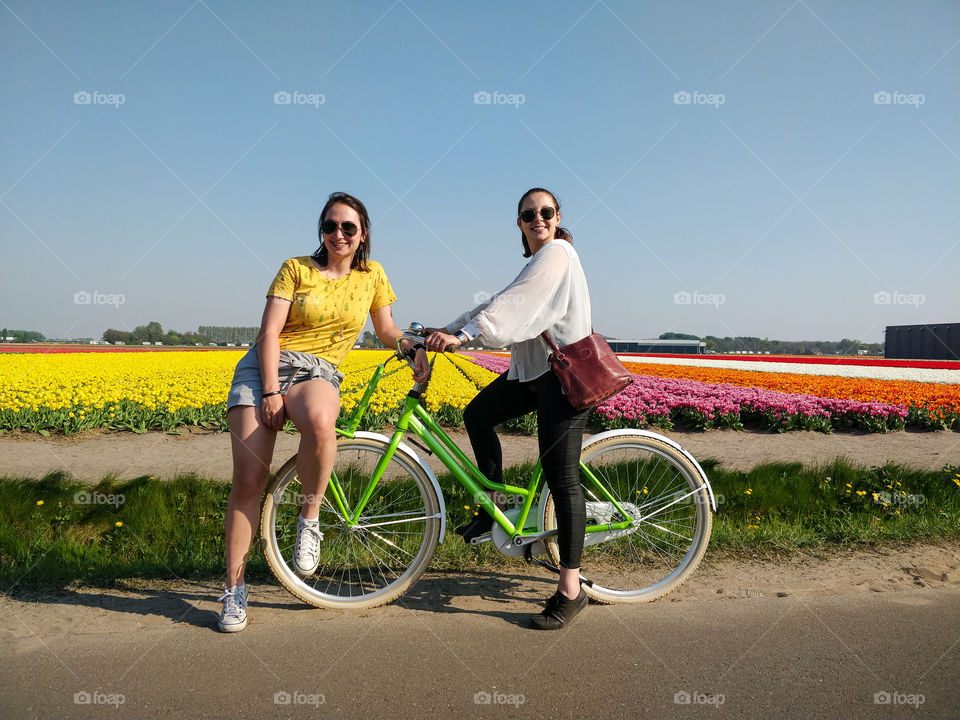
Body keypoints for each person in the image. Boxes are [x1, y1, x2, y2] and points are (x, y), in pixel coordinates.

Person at [219, 192, 429, 632]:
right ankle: (234, 589)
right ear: (322, 231)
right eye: (330, 226)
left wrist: (409, 346)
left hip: (319, 371)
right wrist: (271, 392)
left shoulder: (373, 275)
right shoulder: (296, 268)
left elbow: (387, 328)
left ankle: (309, 519)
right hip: (265, 368)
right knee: (249, 481)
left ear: (363, 233)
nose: (339, 234)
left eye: (348, 228)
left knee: (320, 421)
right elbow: (269, 332)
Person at [425, 188, 592, 630]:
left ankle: (571, 590)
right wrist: (452, 326)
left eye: (546, 212)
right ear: (519, 223)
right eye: (528, 214)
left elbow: (518, 304)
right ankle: (492, 507)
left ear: (557, 218)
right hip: (534, 375)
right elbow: (499, 299)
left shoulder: (558, 253)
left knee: (561, 476)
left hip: (563, 378)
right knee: (478, 415)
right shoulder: (535, 261)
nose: (538, 218)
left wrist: (465, 337)